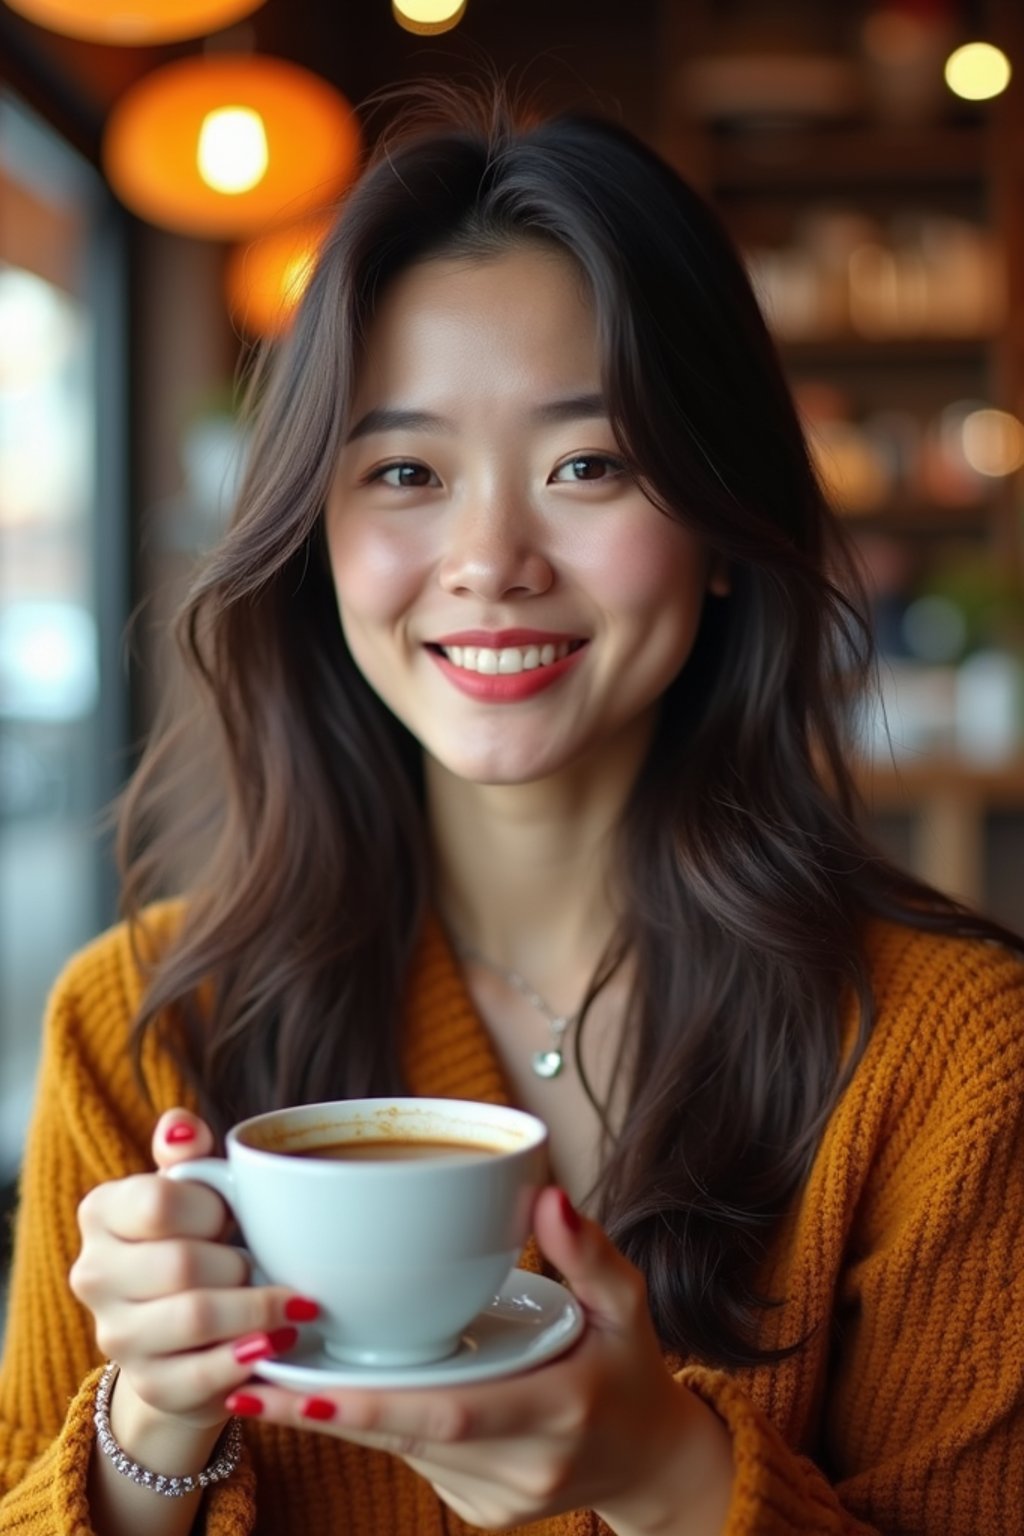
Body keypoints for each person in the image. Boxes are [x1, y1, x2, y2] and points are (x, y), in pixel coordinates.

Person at [1, 84, 1022, 1536]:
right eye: (405, 471)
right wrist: (149, 1433)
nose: (488, 558)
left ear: (724, 528)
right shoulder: (145, 1028)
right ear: (315, 537)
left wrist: (666, 1480)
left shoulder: (950, 1063)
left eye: (587, 465)